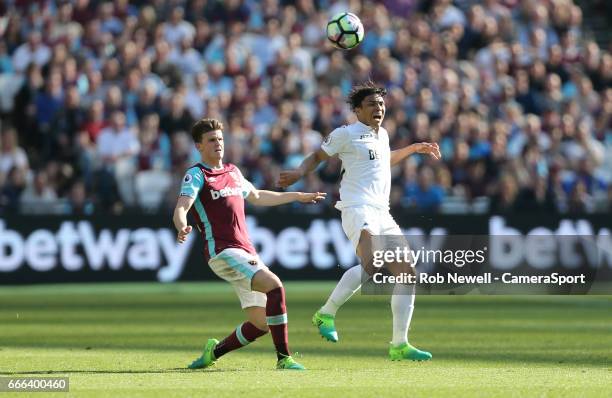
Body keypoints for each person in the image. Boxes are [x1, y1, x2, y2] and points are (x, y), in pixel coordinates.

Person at [279, 81, 440, 361]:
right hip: (357, 207)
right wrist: (298, 172)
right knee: (372, 265)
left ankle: (399, 344)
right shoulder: (346, 133)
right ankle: (326, 313)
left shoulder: (383, 135)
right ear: (357, 110)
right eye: (371, 105)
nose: (378, 108)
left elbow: (382, 160)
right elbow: (317, 155)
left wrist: (413, 149)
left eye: (381, 104)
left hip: (382, 211)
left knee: (407, 275)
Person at [174, 118, 325, 370]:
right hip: (222, 251)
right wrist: (181, 225)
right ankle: (284, 358)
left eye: (220, 139)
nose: (218, 144)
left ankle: (214, 351)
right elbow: (182, 206)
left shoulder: (233, 172)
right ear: (199, 146)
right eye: (211, 140)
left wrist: (297, 197)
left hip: (245, 251)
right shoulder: (197, 174)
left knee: (261, 323)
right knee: (275, 286)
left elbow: (256, 196)